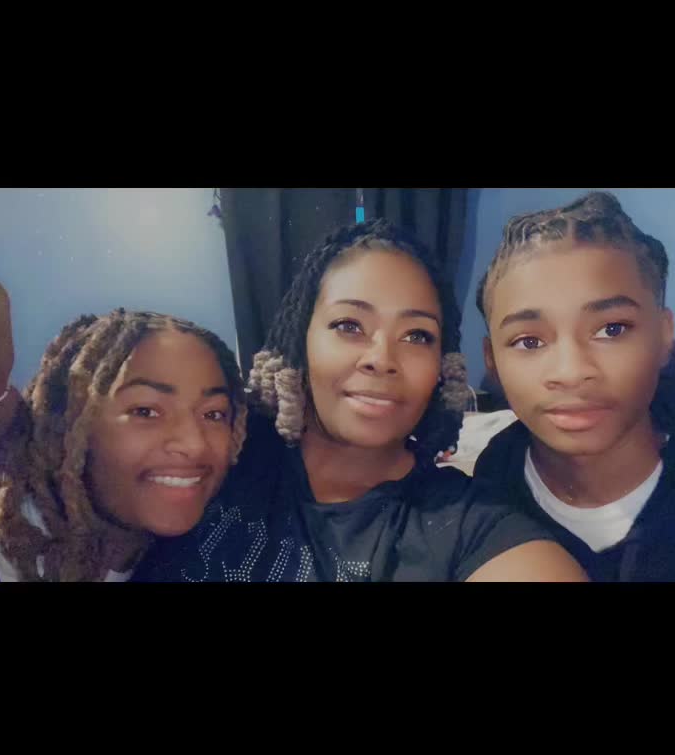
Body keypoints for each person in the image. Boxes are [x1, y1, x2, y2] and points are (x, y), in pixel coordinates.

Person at [132, 219, 588, 582]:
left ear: (441, 368)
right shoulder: (222, 451)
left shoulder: (470, 525)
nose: (381, 359)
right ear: (300, 342)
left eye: (417, 335)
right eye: (349, 326)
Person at [472, 192, 675, 582]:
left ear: (664, 335)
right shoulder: (485, 497)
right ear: (492, 361)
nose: (571, 372)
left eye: (612, 329)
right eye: (529, 341)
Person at [0, 285, 246, 581]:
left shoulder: (208, 546)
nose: (194, 444)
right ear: (70, 425)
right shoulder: (11, 548)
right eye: (146, 411)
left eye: (213, 414)